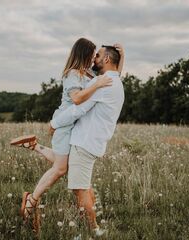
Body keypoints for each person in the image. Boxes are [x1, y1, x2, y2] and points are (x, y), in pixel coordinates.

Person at [10, 38, 124, 224]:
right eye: (92, 54)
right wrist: (55, 123)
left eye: (98, 55)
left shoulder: (88, 74)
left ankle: (34, 145)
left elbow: (112, 75)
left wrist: (121, 57)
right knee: (61, 167)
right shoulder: (74, 74)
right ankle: (31, 201)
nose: (94, 57)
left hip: (72, 123)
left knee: (65, 162)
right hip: (65, 121)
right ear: (83, 54)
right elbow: (78, 100)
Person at [49, 45, 125, 236]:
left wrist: (55, 122)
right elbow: (116, 68)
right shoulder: (116, 82)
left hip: (84, 142)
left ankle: (92, 230)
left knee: (79, 189)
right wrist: (122, 55)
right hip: (93, 142)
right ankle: (91, 226)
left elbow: (78, 108)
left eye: (98, 56)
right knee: (84, 185)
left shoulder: (103, 82)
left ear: (107, 59)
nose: (94, 59)